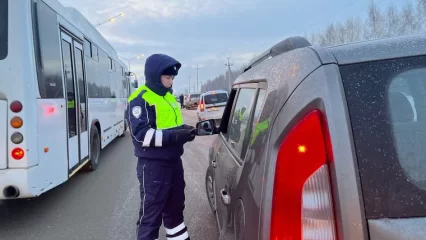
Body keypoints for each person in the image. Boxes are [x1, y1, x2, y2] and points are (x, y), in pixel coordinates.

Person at [127, 54, 197, 240]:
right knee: (151, 216)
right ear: (155, 76)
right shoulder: (141, 99)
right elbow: (141, 136)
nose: (170, 81)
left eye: (172, 78)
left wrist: (184, 130)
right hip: (153, 167)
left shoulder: (168, 98)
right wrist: (175, 135)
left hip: (174, 163)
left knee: (175, 211)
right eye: (167, 77)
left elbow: (169, 127)